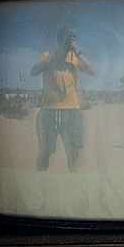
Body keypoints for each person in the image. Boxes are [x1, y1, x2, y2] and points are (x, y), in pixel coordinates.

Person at [31, 28, 97, 172]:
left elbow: (93, 71)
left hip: (72, 110)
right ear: (58, 41)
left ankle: (74, 184)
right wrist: (56, 52)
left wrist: (77, 51)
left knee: (73, 152)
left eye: (69, 41)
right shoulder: (48, 55)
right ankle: (41, 184)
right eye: (64, 41)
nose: (66, 44)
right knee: (44, 152)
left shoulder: (75, 58)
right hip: (48, 110)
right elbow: (33, 71)